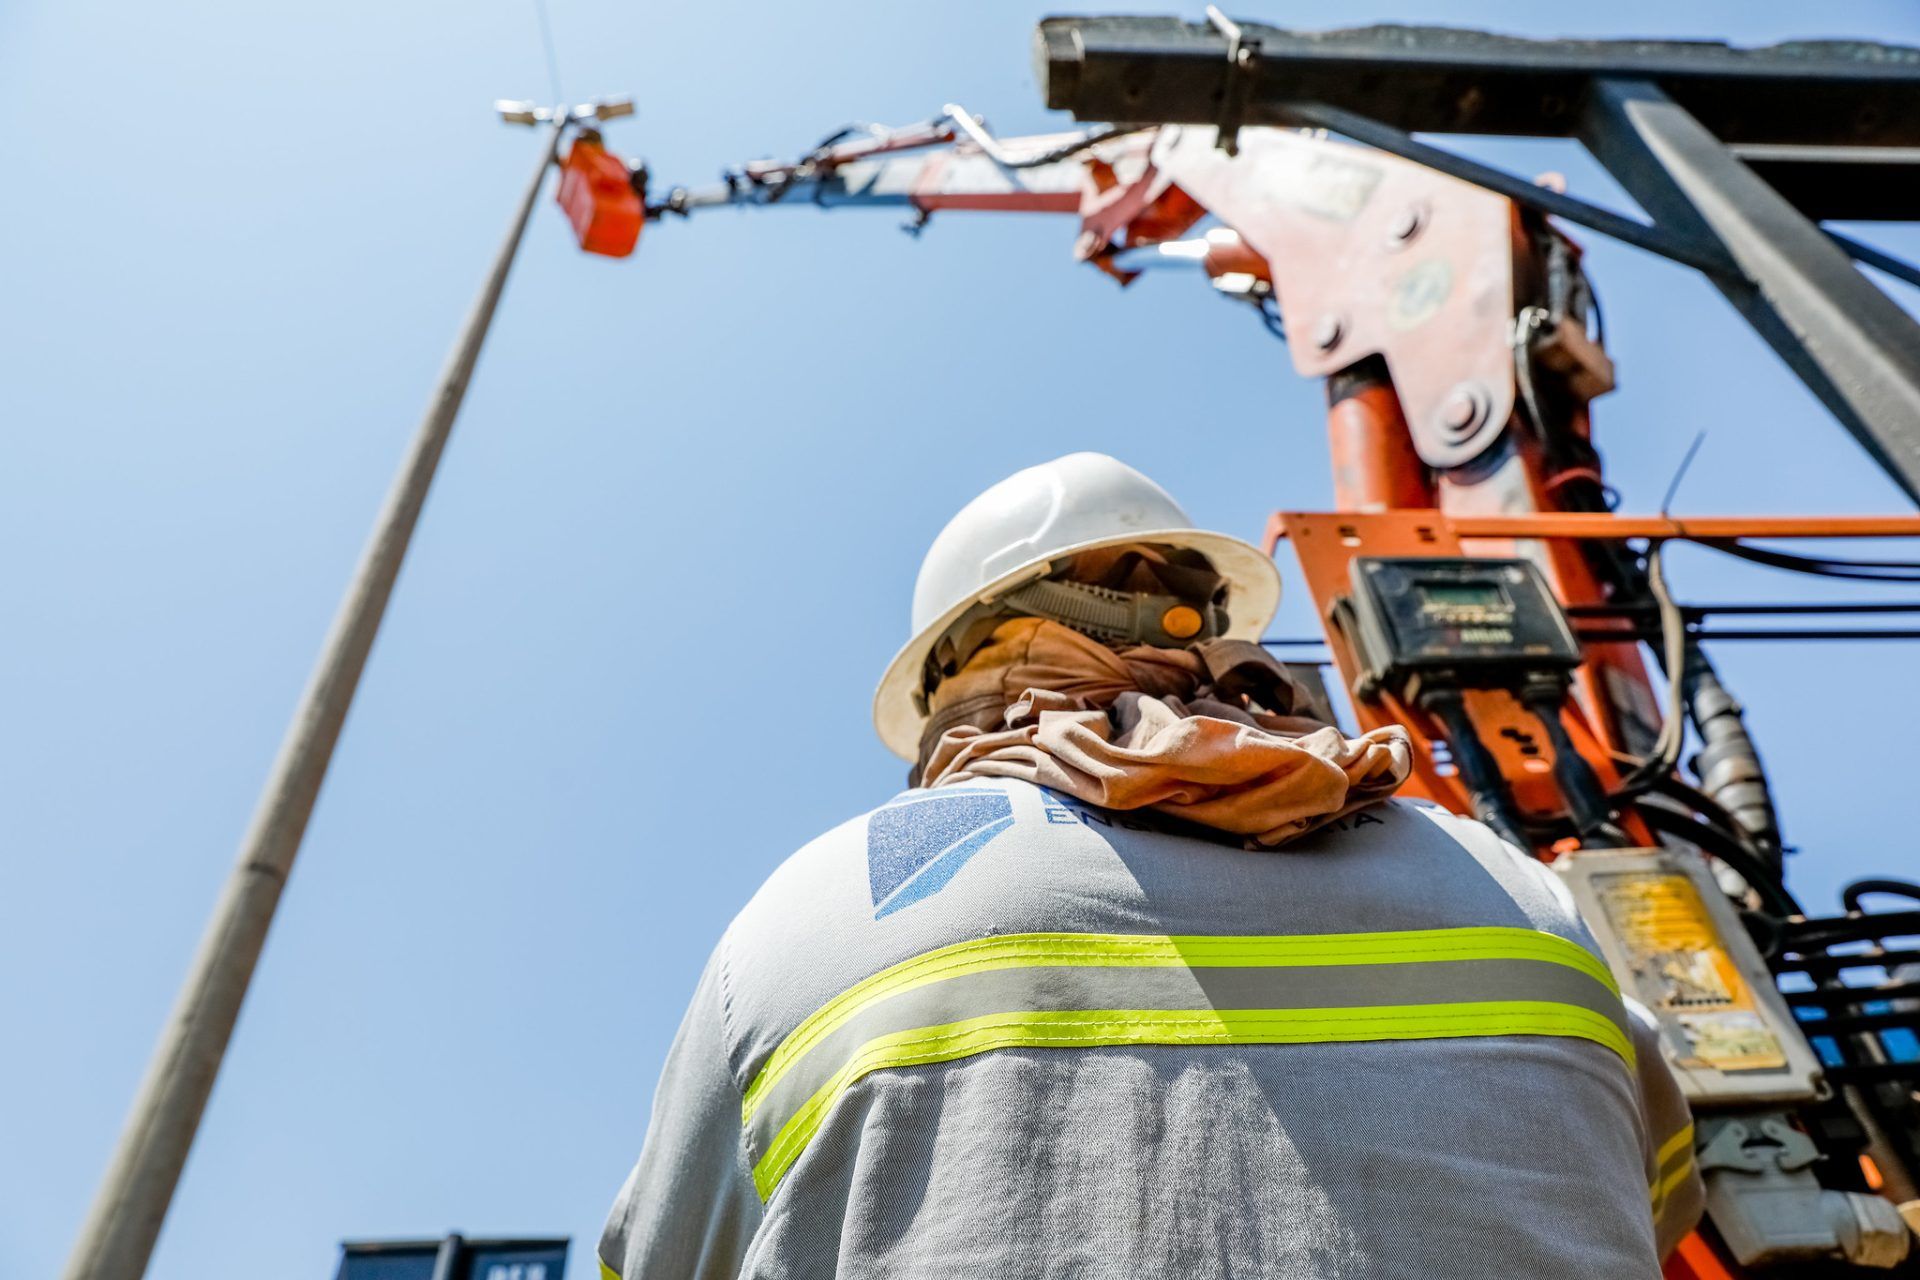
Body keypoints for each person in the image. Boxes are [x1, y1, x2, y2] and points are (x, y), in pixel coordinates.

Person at [597, 452, 1701, 1279]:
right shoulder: (1506, 879)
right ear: (1207, 627)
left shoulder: (824, 905)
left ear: (952, 676)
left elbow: (664, 1258)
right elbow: (1653, 1197)